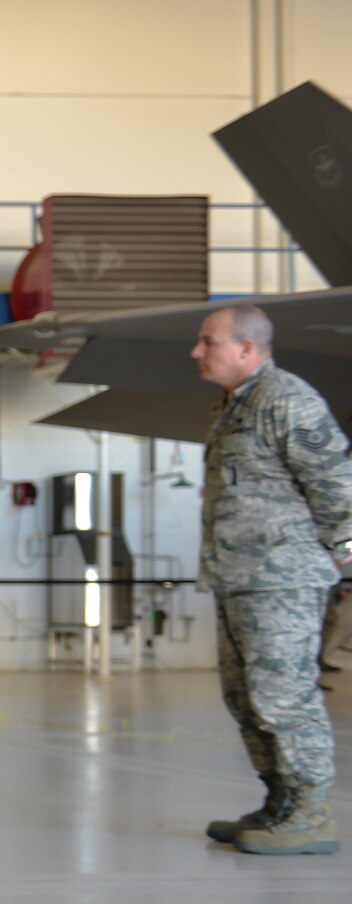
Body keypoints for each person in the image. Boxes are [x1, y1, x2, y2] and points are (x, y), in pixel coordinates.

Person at [192, 305, 352, 856]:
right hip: (239, 577)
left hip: (281, 581)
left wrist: (347, 557)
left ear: (246, 348)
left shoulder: (286, 399)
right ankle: (281, 802)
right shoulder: (235, 403)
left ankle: (312, 814)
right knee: (246, 697)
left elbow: (335, 482)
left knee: (284, 698)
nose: (196, 351)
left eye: (207, 341)